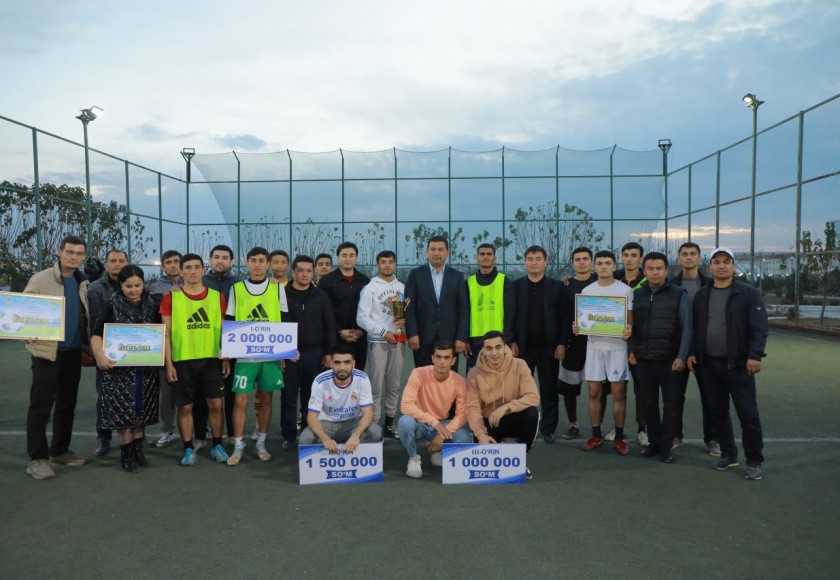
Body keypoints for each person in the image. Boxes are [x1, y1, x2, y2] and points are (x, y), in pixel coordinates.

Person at [687, 248, 768, 480]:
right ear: (709, 266)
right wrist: (693, 352)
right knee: (718, 413)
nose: (721, 266)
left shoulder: (748, 294)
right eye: (716, 262)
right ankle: (730, 454)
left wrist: (754, 355)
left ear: (733, 266)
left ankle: (754, 460)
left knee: (748, 415)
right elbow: (696, 327)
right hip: (709, 366)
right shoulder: (702, 295)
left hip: (740, 366)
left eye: (726, 262)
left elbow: (759, 328)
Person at [23, 235, 91, 480]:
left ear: (83, 256)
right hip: (47, 354)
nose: (74, 256)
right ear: (60, 252)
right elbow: (22, 313)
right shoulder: (40, 279)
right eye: (70, 252)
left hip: (73, 353)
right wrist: (26, 334)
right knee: (41, 406)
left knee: (67, 405)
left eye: (79, 253)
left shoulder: (83, 281)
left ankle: (59, 450)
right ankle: (37, 458)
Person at [160, 253, 230, 466]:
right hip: (182, 362)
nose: (192, 271)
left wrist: (225, 357)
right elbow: (166, 333)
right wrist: (169, 363)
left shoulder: (217, 297)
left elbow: (224, 329)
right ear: (181, 271)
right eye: (188, 267)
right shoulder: (171, 297)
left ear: (202, 270)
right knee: (185, 408)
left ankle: (217, 444)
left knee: (216, 404)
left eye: (196, 267)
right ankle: (188, 448)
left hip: (211, 361)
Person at [90, 265, 161, 473]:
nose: (133, 290)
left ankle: (138, 451)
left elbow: (161, 333)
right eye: (128, 286)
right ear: (120, 285)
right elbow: (96, 334)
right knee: (124, 414)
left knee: (142, 412)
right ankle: (126, 453)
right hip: (118, 371)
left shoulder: (152, 304)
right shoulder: (111, 305)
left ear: (143, 284)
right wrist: (99, 355)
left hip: (146, 370)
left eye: (137, 285)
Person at [225, 247, 288, 465]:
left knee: (267, 398)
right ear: (247, 262)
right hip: (245, 355)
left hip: (270, 355)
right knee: (240, 399)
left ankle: (261, 442)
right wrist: (226, 353)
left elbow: (285, 320)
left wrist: (285, 350)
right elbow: (230, 320)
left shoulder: (278, 288)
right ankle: (239, 444)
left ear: (268, 263)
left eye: (262, 260)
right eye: (253, 260)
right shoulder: (237, 288)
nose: (257, 264)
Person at [628, 252, 692, 464]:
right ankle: (654, 443)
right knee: (648, 404)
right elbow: (629, 327)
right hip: (643, 360)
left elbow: (687, 328)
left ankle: (666, 447)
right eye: (650, 269)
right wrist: (631, 350)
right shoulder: (636, 294)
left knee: (671, 405)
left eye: (659, 268)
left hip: (670, 361)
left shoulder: (679, 294)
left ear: (666, 270)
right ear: (644, 271)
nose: (655, 272)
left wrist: (681, 356)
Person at [577, 250, 634, 455]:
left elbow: (630, 321)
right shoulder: (587, 291)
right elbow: (583, 320)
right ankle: (596, 434)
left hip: (617, 348)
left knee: (619, 393)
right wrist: (579, 327)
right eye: (599, 263)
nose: (603, 266)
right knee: (594, 392)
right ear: (594, 265)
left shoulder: (625, 290)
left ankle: (619, 437)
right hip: (593, 348)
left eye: (607, 263)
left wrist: (629, 328)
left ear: (613, 265)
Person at [510, 245, 567, 443]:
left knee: (549, 389)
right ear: (525, 262)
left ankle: (548, 428)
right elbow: (510, 316)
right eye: (530, 258)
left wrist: (561, 343)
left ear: (545, 262)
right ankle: (521, 427)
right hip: (523, 348)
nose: (534, 262)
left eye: (538, 258)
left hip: (549, 348)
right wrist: (512, 340)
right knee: (520, 391)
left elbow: (564, 318)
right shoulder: (515, 286)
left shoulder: (557, 287)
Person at [466, 331, 540, 480]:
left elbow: (533, 397)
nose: (494, 353)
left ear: (505, 347)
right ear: (483, 350)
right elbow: (473, 409)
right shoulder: (474, 374)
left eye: (498, 347)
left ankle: (520, 458)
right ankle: (498, 447)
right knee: (484, 453)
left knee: (532, 414)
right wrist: (481, 435)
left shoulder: (520, 365)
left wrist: (506, 408)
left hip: (513, 417)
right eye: (489, 348)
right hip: (490, 423)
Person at [281, 255, 336, 450]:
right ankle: (288, 436)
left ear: (313, 272)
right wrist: (283, 352)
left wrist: (328, 353)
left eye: (308, 270)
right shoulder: (282, 294)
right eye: (300, 270)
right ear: (293, 272)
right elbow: (278, 324)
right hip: (290, 355)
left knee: (311, 399)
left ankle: (307, 434)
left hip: (315, 354)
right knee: (288, 397)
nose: (304, 274)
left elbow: (330, 324)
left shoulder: (321, 295)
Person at [398, 341, 472, 478]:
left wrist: (442, 434)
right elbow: (406, 406)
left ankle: (437, 450)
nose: (442, 362)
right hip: (420, 423)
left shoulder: (459, 381)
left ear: (453, 360)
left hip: (441, 424)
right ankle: (413, 457)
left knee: (464, 437)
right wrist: (434, 423)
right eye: (438, 357)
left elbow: (462, 415)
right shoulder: (418, 373)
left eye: (446, 358)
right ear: (433, 358)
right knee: (404, 422)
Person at [672, 241, 717, 456]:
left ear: (700, 258)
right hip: (677, 350)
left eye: (692, 254)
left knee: (710, 397)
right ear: (679, 258)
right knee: (674, 396)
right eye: (684, 254)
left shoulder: (712, 284)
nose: (688, 257)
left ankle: (713, 439)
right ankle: (675, 435)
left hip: (704, 351)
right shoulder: (670, 284)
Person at [356, 250, 406, 438]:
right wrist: (384, 332)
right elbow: (361, 318)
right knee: (376, 385)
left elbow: (408, 312)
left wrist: (404, 322)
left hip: (399, 341)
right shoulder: (369, 288)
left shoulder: (402, 287)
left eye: (390, 262)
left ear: (394, 265)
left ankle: (389, 424)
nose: (387, 265)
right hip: (378, 341)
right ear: (377, 264)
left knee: (394, 384)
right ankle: (374, 423)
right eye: (383, 262)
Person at [404, 235, 469, 371]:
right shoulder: (415, 275)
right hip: (422, 339)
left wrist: (461, 337)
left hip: (450, 338)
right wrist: (412, 334)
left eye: (440, 249)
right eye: (433, 249)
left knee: (449, 380)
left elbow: (464, 309)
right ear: (427, 251)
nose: (436, 253)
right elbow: (409, 308)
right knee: (424, 379)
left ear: (447, 252)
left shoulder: (456, 276)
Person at [557, 246, 603, 440]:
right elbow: (563, 317)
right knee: (570, 387)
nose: (582, 262)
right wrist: (562, 342)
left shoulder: (602, 282)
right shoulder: (566, 286)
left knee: (599, 388)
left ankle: (597, 428)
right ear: (573, 263)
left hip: (599, 343)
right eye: (578, 259)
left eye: (585, 258)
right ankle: (573, 424)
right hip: (574, 344)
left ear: (592, 262)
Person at [298, 347, 382, 450]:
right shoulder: (320, 381)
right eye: (337, 363)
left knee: (376, 432)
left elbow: (368, 413)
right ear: (332, 364)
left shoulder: (362, 379)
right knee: (305, 439)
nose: (342, 367)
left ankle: (356, 455)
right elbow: (312, 416)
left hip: (353, 423)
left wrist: (356, 435)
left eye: (347, 362)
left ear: (353, 364)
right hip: (326, 424)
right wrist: (324, 438)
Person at [87, 248, 128, 457]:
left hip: (133, 351)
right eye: (113, 261)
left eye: (121, 260)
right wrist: (99, 352)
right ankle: (103, 437)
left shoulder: (135, 285)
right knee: (105, 395)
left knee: (133, 393)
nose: (117, 264)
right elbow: (95, 324)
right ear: (107, 263)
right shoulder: (95, 288)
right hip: (107, 351)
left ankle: (136, 431)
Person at [202, 244, 239, 441]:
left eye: (225, 257)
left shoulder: (238, 284)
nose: (220, 261)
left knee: (232, 394)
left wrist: (229, 348)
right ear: (210, 260)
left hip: (232, 348)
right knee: (207, 395)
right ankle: (207, 430)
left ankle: (233, 434)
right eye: (216, 257)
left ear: (231, 261)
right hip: (204, 347)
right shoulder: (200, 281)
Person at [317, 241, 370, 371]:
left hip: (359, 340)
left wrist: (361, 331)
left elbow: (370, 311)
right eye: (344, 255)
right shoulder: (326, 281)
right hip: (334, 341)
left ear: (356, 258)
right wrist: (339, 332)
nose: (348, 258)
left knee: (356, 377)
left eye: (351, 255)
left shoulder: (366, 281)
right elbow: (322, 312)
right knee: (334, 380)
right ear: (338, 257)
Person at [614, 241, 647, 446]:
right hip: (616, 344)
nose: (629, 258)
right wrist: (567, 279)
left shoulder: (649, 279)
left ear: (640, 258)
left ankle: (642, 428)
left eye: (634, 255)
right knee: (617, 389)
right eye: (626, 254)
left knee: (642, 389)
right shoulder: (613, 278)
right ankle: (618, 428)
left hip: (641, 344)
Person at [149, 250, 182, 449]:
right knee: (167, 393)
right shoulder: (155, 288)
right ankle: (167, 431)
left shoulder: (193, 285)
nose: (173, 265)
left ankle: (200, 431)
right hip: (165, 346)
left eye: (176, 262)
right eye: (168, 262)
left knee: (193, 393)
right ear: (162, 266)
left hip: (190, 346)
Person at [465, 243, 515, 370]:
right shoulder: (469, 282)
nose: (485, 257)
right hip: (475, 342)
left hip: (498, 342)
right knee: (474, 382)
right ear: (477, 257)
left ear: (495, 258)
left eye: (489, 254)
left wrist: (507, 340)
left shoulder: (504, 281)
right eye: (482, 254)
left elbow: (510, 313)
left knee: (498, 383)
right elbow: (464, 313)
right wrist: (464, 338)